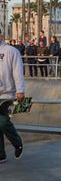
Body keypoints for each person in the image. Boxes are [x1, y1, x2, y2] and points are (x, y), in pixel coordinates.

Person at [0, 30, 24, 163]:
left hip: (8, 94)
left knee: (2, 122)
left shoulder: (11, 51)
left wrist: (20, 90)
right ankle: (1, 154)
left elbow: (17, 70)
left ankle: (17, 142)